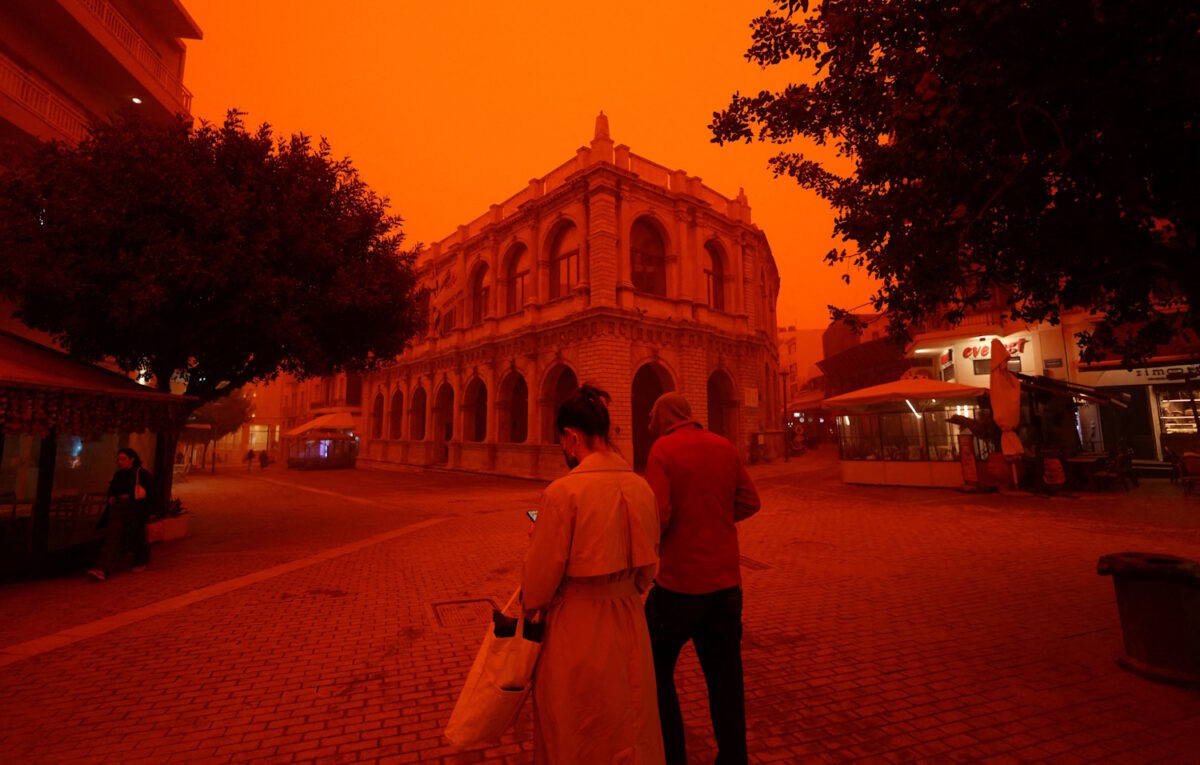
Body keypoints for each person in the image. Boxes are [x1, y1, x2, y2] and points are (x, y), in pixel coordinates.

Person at [522, 384, 665, 764]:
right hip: (629, 620)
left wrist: (538, 539)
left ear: (571, 437)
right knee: (630, 724)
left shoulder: (563, 493)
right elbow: (648, 570)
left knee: (578, 730)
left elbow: (536, 589)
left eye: (562, 443)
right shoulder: (641, 487)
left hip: (577, 628)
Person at [643, 392, 761, 765]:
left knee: (653, 669)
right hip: (727, 586)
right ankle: (733, 758)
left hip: (679, 587)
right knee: (726, 680)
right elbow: (750, 501)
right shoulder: (724, 446)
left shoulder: (662, 451)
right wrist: (714, 519)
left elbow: (658, 516)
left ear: (663, 418)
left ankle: (673, 755)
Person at [88, 448, 153, 581]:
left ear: (132, 459)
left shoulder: (141, 473)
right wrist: (111, 496)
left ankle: (141, 560)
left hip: (135, 508)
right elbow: (112, 488)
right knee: (113, 535)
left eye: (123, 459)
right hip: (118, 507)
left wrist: (149, 511)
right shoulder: (118, 475)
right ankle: (102, 568)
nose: (120, 462)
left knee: (137, 534)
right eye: (118, 459)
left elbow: (151, 492)